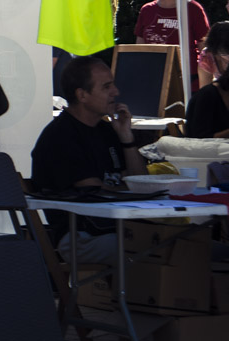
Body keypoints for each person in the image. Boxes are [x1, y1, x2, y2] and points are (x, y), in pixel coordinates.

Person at [27, 56, 147, 263]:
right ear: (82, 95)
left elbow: (141, 183)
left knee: (191, 245)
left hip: (117, 227)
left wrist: (127, 139)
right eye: (106, 87)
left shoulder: (108, 131)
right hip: (81, 235)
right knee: (162, 248)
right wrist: (128, 185)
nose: (116, 92)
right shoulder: (61, 136)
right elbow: (93, 193)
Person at [134, 0, 210, 71]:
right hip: (153, 73)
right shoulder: (147, 10)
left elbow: (204, 46)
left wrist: (205, 78)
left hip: (186, 76)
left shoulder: (193, 9)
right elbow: (140, 46)